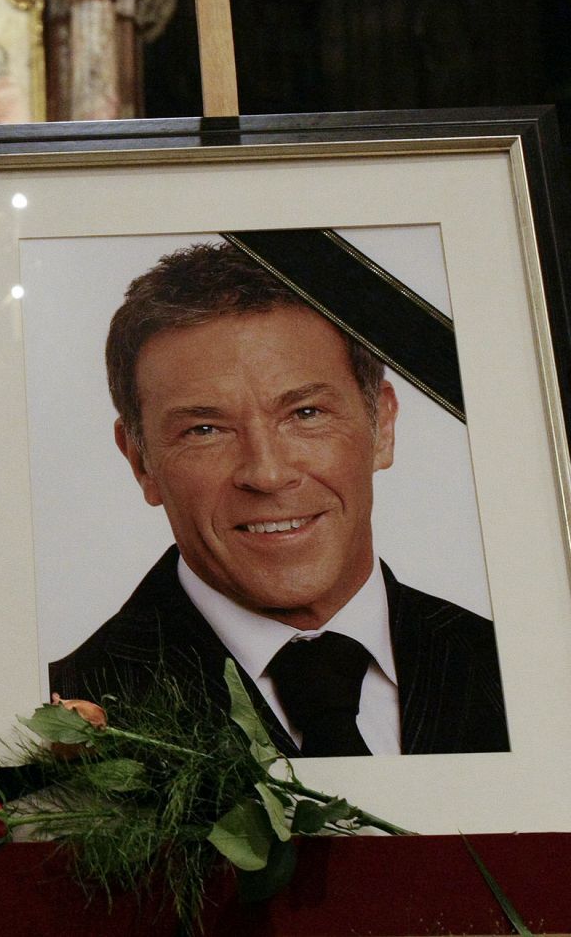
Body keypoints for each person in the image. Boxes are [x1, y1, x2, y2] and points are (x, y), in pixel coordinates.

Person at [47, 242, 509, 757]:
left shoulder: (522, 670)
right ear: (140, 462)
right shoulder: (56, 718)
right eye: (205, 429)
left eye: (306, 414)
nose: (266, 474)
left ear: (383, 427)